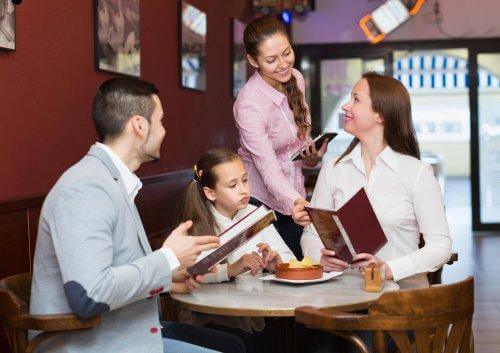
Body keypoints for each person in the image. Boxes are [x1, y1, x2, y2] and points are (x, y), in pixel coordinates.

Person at [29, 78, 245, 353]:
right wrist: (167, 259)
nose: (164, 131)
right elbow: (90, 295)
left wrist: (168, 278)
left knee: (231, 345)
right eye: (161, 121)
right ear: (140, 126)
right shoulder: (86, 187)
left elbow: (116, 271)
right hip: (93, 345)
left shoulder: (112, 181)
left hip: (126, 334)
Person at [293, 72, 453, 353]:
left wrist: (389, 269)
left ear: (381, 115)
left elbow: (441, 247)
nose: (346, 106)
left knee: (355, 345)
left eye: (356, 99)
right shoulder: (333, 167)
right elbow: (312, 232)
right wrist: (320, 256)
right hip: (340, 298)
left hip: (399, 306)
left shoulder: (416, 173)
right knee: (301, 335)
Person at [174, 147, 295, 353]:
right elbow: (191, 274)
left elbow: (288, 258)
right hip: (211, 318)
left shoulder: (256, 214)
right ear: (210, 193)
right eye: (233, 185)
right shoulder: (196, 224)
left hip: (257, 311)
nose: (243, 190)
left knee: (293, 333)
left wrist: (278, 265)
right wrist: (231, 269)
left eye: (245, 180)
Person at [233, 16, 329, 260]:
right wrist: (296, 201)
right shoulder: (249, 105)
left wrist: (311, 158)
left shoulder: (295, 77)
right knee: (277, 272)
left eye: (287, 53)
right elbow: (269, 169)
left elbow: (298, 142)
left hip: (294, 195)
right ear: (253, 61)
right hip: (259, 202)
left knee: (301, 265)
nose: (283, 64)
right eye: (271, 60)